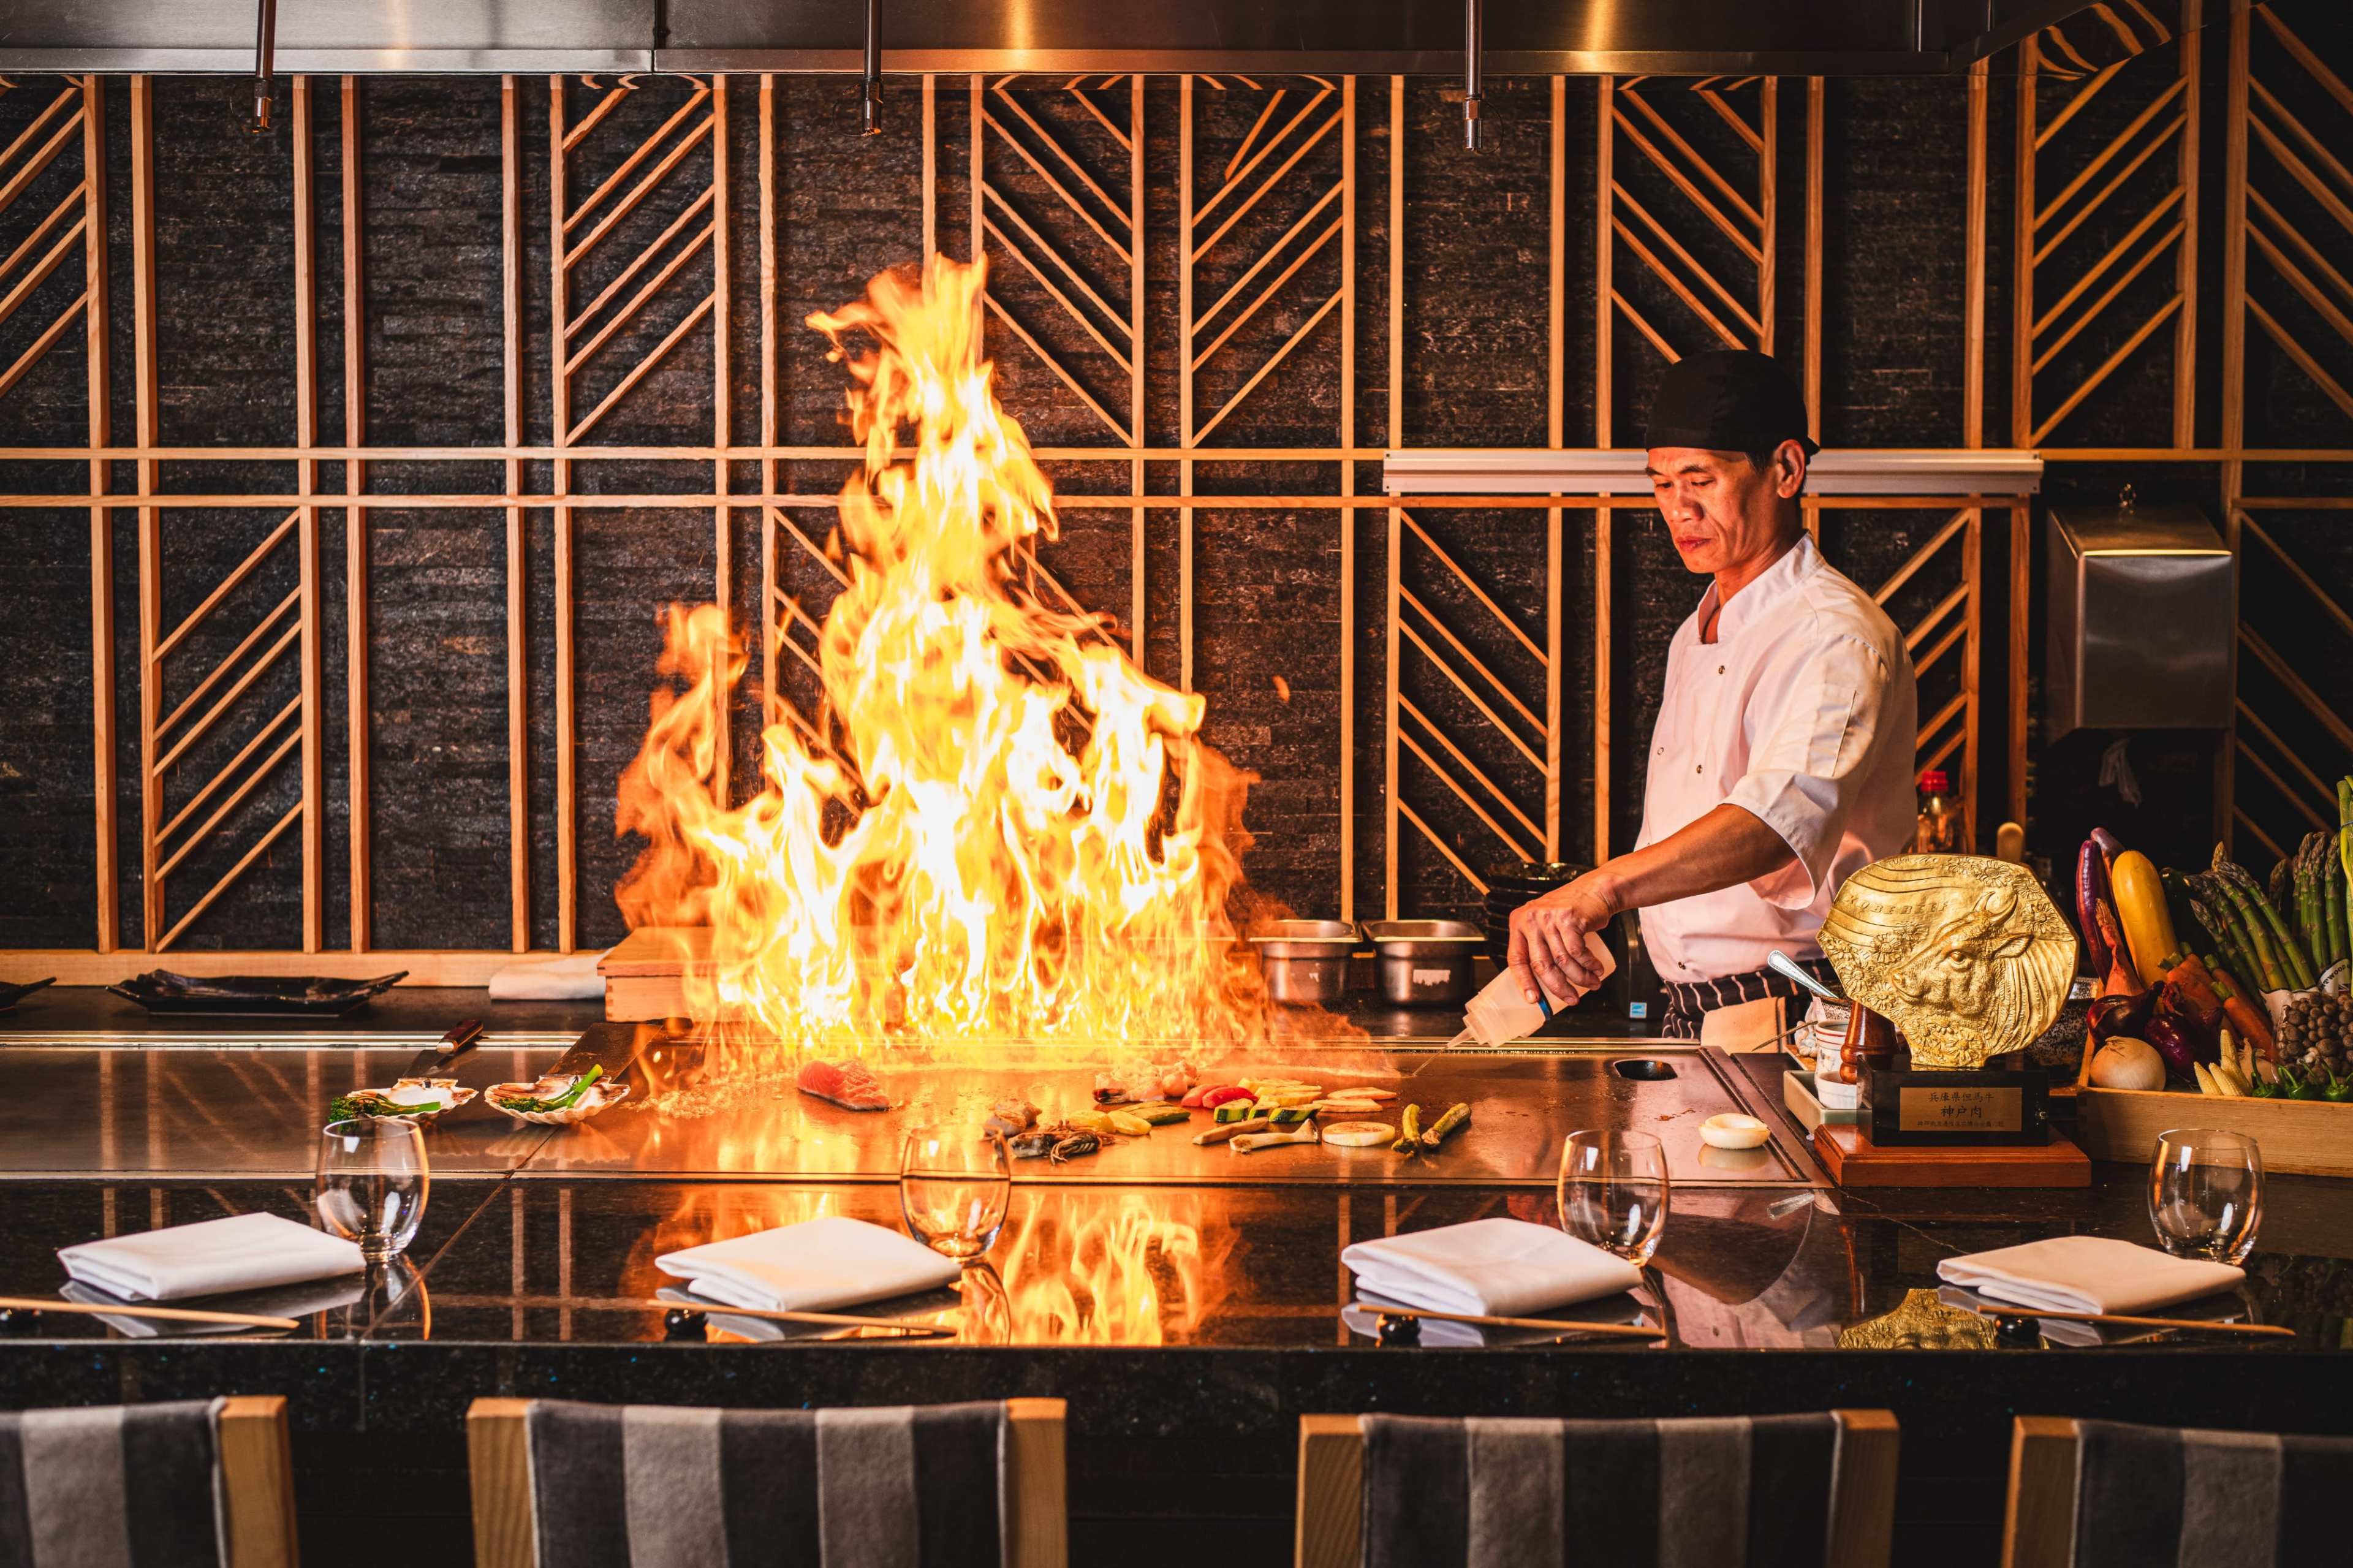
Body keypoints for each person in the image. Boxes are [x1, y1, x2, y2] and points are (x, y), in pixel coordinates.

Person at [1508, 350, 1918, 1039]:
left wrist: (1600, 890)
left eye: (1701, 480)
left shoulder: (1834, 637)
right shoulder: (1700, 628)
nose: (1679, 509)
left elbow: (1771, 825)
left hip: (1797, 1013)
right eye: (1663, 484)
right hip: (1698, 1012)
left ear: (1785, 470)